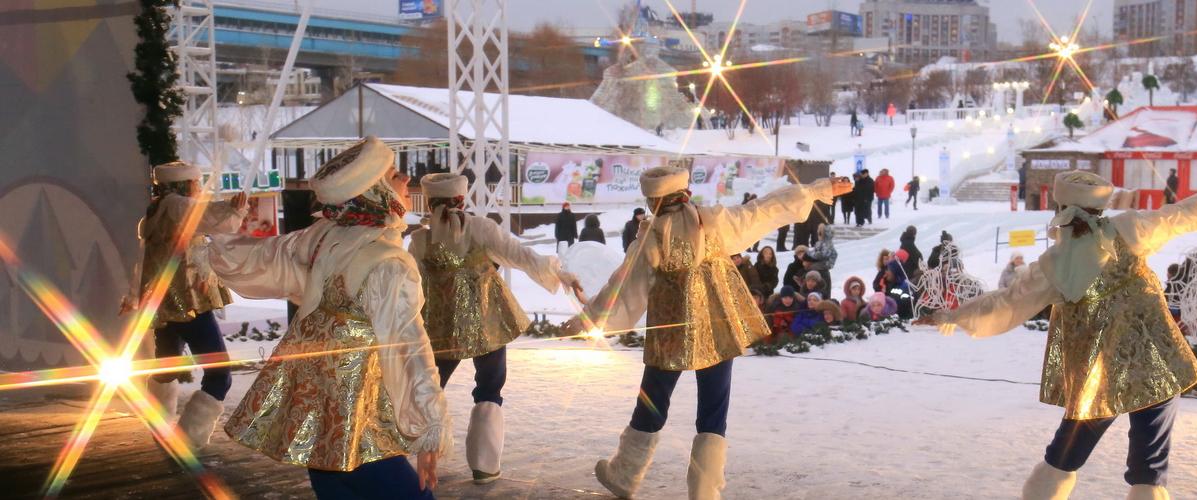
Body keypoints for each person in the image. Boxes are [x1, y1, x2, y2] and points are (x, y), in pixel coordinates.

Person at [928, 163, 1197, 499]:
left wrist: (952, 315)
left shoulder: (1052, 264)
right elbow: (1183, 213)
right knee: (1149, 466)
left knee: (1068, 450)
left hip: (1098, 372)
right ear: (1098, 208)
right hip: (1155, 360)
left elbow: (1007, 303)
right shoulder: (1129, 229)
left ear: (1060, 211)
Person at [565, 167, 850, 499]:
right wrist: (817, 189)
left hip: (670, 330)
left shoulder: (651, 235)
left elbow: (624, 286)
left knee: (653, 398)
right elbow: (764, 209)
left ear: (652, 199)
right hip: (717, 326)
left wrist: (589, 319)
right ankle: (704, 490)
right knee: (714, 407)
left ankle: (625, 473)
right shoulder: (712, 221)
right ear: (684, 192)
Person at [205, 137, 450, 498]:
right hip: (356, 412)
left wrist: (222, 230)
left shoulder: (324, 237)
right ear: (376, 190)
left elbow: (253, 258)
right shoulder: (387, 263)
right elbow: (410, 345)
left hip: (316, 405)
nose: (407, 182)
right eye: (397, 175)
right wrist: (432, 424)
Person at [408, 173, 582, 484]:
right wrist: (563, 275)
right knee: (489, 388)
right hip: (488, 324)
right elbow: (522, 256)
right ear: (461, 199)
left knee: (430, 388)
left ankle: (421, 456)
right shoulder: (481, 228)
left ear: (430, 201)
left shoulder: (421, 240)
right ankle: (484, 464)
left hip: (439, 328)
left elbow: (408, 288)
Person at [129, 161, 248, 450]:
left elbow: (143, 262)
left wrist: (134, 296)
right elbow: (212, 218)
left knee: (166, 368)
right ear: (184, 185)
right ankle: (189, 437)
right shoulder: (178, 206)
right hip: (190, 302)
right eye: (196, 182)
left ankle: (159, 427)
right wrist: (235, 208)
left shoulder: (155, 212)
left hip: (165, 304)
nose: (198, 187)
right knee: (219, 374)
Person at [804, 224, 837, 294]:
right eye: (818, 233)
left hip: (822, 270)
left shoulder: (827, 244)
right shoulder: (820, 243)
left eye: (820, 233)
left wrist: (809, 254)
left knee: (822, 291)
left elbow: (821, 255)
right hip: (817, 269)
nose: (818, 235)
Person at [882, 250, 916, 319]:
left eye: (889, 270)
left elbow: (906, 307)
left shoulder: (906, 287)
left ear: (895, 272)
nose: (886, 273)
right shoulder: (893, 285)